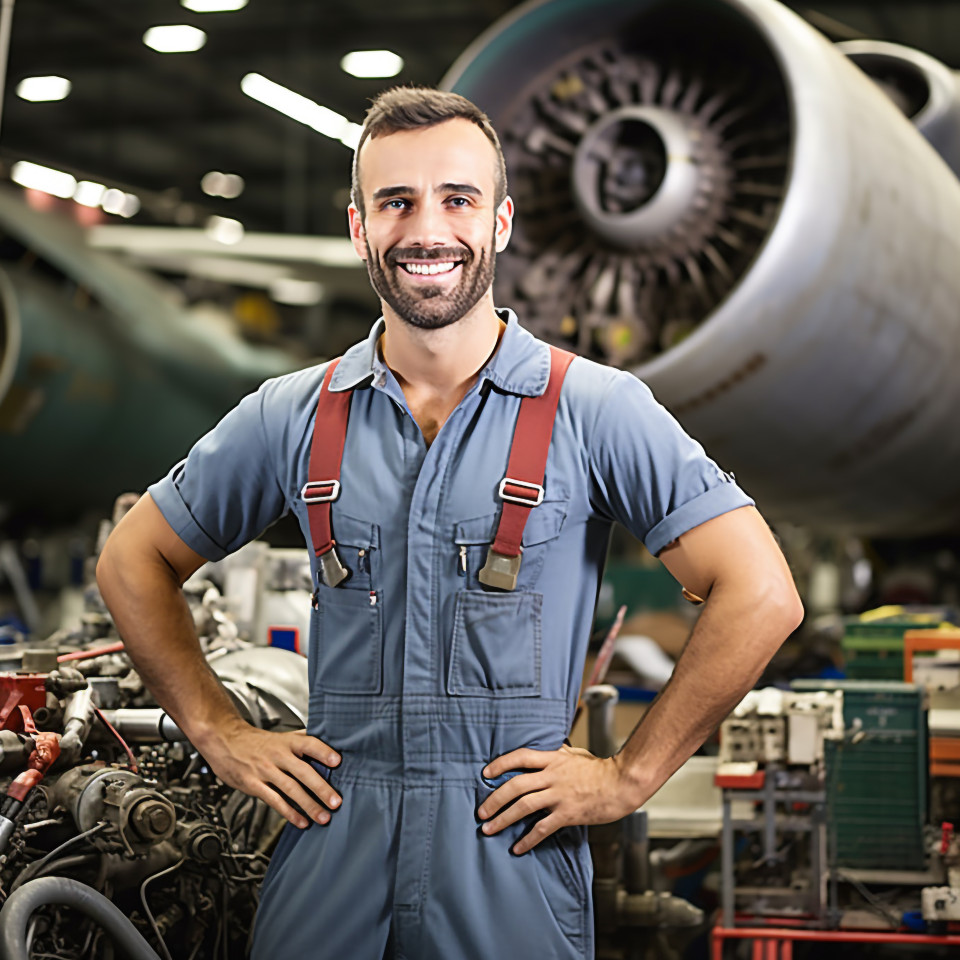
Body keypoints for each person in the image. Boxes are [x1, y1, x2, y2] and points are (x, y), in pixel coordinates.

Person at [97, 86, 803, 959]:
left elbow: (762, 592)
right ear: (360, 228)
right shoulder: (293, 415)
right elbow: (134, 561)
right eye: (396, 201)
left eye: (457, 199)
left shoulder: (593, 410)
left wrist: (629, 776)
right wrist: (218, 732)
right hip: (330, 858)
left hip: (507, 861)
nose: (427, 229)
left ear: (500, 223)